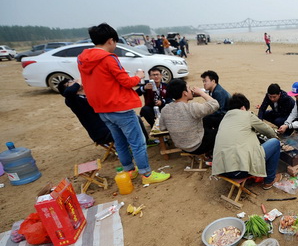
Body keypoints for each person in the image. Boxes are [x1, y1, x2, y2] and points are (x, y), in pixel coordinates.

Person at [77, 22, 170, 185]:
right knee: (137, 141)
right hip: (119, 107)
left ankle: (129, 170)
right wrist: (139, 76)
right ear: (110, 40)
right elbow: (126, 82)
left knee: (120, 141)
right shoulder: (108, 58)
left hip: (101, 109)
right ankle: (146, 174)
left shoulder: (83, 59)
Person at [212, 93, 282, 190]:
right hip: (240, 172)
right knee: (275, 143)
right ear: (243, 107)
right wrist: (277, 138)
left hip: (222, 170)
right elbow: (268, 130)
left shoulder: (224, 119)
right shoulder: (247, 115)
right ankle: (269, 181)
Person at [58, 78, 152, 145]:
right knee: (133, 121)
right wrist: (78, 83)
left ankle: (144, 141)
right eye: (69, 83)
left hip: (111, 122)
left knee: (134, 118)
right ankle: (139, 144)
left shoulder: (88, 94)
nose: (73, 81)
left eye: (72, 80)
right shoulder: (72, 100)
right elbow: (68, 93)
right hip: (102, 132)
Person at [159, 79, 219, 156]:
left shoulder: (165, 109)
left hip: (182, 146)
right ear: (185, 93)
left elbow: (162, 128)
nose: (191, 90)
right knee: (222, 130)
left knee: (208, 119)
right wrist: (201, 93)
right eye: (189, 88)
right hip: (198, 146)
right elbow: (215, 104)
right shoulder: (191, 107)